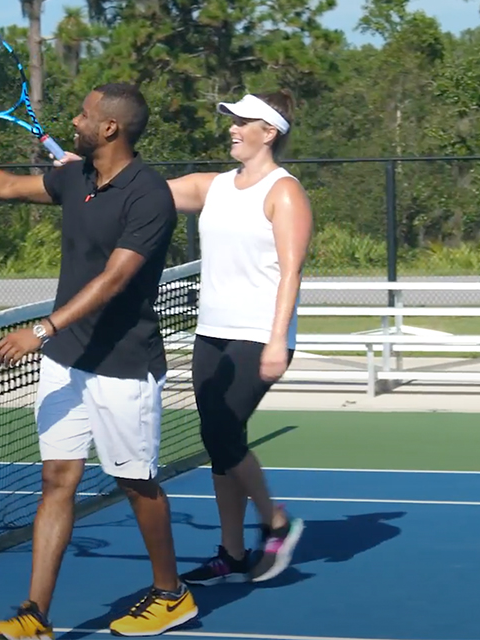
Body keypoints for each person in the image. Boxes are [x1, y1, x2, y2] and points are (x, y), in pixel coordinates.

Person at [0, 83, 196, 639]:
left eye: (84, 114)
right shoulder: (77, 177)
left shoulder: (149, 194)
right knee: (57, 479)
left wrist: (43, 328)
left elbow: (116, 278)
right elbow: (8, 186)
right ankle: (34, 616)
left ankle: (172, 593)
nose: (75, 120)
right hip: (65, 361)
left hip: (123, 365)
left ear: (110, 128)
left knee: (135, 483)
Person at [165, 90, 311, 585]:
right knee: (221, 442)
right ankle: (232, 551)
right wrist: (88, 171)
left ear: (268, 132)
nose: (232, 126)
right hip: (211, 333)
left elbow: (291, 273)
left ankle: (276, 520)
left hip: (257, 335)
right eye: (232, 119)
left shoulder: (284, 192)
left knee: (222, 433)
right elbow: (141, 191)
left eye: (243, 121)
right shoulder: (214, 186)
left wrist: (277, 341)